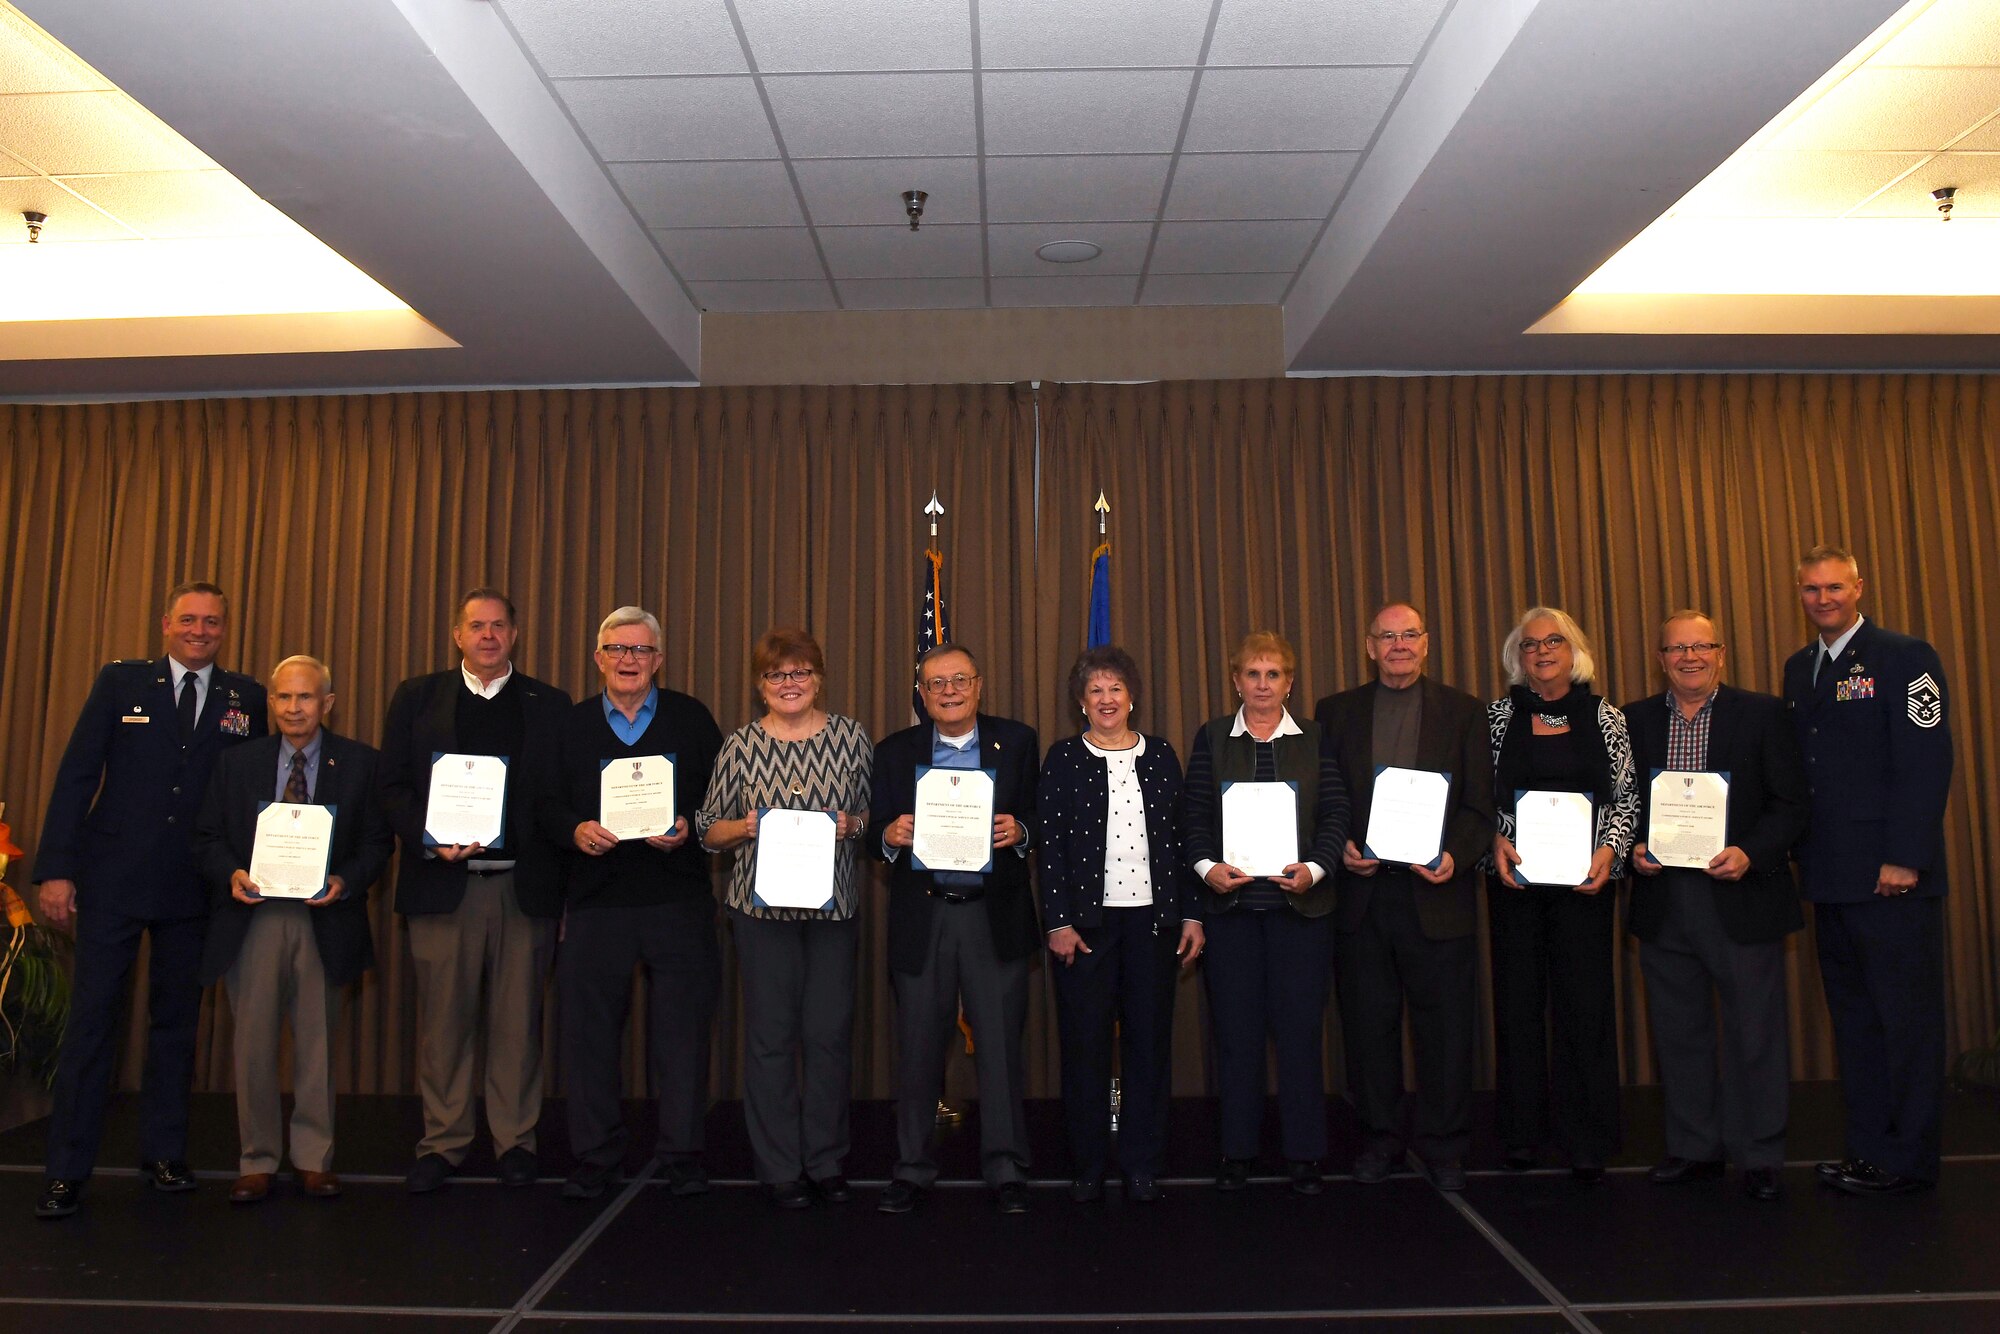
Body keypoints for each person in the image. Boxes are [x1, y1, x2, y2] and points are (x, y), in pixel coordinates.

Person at [32, 582, 267, 1219]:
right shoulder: (120, 683)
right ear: (165, 623)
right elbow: (78, 773)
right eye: (188, 619)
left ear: (226, 628)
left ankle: (164, 1154)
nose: (199, 630)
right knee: (92, 1025)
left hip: (193, 887)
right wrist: (56, 870)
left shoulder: (244, 696)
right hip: (111, 882)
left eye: (211, 622)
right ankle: (66, 1171)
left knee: (176, 1029)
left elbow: (253, 793)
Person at [377, 588, 572, 1193]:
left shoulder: (550, 703)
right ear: (457, 635)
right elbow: (392, 788)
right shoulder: (416, 697)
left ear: (515, 635)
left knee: (519, 1025)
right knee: (444, 1024)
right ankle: (444, 1142)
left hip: (523, 886)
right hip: (443, 886)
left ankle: (516, 1140)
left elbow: (559, 798)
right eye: (475, 626)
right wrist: (430, 838)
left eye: (498, 626)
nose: (487, 636)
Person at [1782, 545, 1953, 1196]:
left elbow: (1926, 760)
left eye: (1834, 587)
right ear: (1798, 594)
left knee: (1905, 1024)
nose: (1822, 599)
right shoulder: (1801, 669)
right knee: (1855, 1022)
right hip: (1830, 875)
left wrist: (1905, 856)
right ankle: (1869, 1152)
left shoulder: (1907, 658)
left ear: (1859, 587)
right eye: (1810, 589)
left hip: (1892, 879)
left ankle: (1909, 1159)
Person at [193, 655, 393, 1203]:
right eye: (283, 697)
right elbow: (207, 837)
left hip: (324, 919)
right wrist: (230, 872)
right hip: (253, 918)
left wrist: (345, 881)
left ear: (326, 704)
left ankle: (313, 1158)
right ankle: (256, 1159)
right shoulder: (237, 764)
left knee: (317, 1044)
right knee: (252, 1045)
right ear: (271, 703)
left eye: (304, 698)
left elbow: (378, 843)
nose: (292, 708)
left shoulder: (360, 764)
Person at [1626, 611, 1808, 1202]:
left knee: (1755, 1030)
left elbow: (1790, 804)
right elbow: (1620, 803)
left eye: (1700, 646)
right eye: (1676, 648)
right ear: (1661, 658)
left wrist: (1750, 853)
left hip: (1740, 893)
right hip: (1664, 897)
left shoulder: (1763, 714)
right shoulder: (1632, 721)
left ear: (1721, 653)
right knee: (1679, 1031)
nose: (1689, 657)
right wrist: (1630, 846)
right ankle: (1693, 1146)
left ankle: (1758, 1153)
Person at [541, 607, 722, 1200]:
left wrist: (689, 825)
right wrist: (574, 831)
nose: (627, 660)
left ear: (658, 660)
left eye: (640, 651)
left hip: (677, 900)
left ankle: (682, 1152)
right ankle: (596, 1153)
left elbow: (720, 801)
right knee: (590, 1035)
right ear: (598, 658)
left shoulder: (692, 719)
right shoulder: (568, 727)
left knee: (683, 1034)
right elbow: (541, 807)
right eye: (616, 649)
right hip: (596, 903)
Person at [1315, 604, 1493, 1193]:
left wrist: (1455, 857)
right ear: (1369, 647)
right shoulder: (1335, 712)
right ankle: (1380, 1139)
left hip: (1436, 895)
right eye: (1386, 636)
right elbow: (1323, 800)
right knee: (1369, 1029)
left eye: (1409, 634)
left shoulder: (1466, 712)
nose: (1398, 645)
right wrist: (1336, 846)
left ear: (1426, 643)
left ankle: (1444, 1146)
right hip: (1364, 898)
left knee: (1445, 1031)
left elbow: (1479, 806)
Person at [697, 628, 872, 1209]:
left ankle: (824, 1160)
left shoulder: (851, 737)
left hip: (832, 913)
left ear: (819, 678)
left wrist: (853, 825)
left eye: (800, 673)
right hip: (759, 914)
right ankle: (778, 1167)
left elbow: (878, 814)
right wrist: (745, 827)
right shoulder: (740, 746)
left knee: (827, 1037)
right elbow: (708, 831)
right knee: (771, 1041)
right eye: (777, 675)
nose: (789, 684)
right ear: (760, 685)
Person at [869, 643, 1040, 1215]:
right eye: (935, 683)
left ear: (978, 685)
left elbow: (1042, 814)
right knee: (918, 1048)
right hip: (925, 914)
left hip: (993, 915)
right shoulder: (893, 752)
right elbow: (872, 831)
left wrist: (1023, 829)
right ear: (921, 693)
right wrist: (888, 837)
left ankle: (1007, 1167)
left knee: (999, 1046)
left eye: (958, 680)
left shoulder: (1016, 742)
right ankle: (912, 1168)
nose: (948, 691)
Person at [1182, 631, 1348, 1194]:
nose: (1262, 684)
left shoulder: (1317, 740)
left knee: (1301, 1034)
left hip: (1299, 911)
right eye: (1252, 674)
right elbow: (1195, 815)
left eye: (1273, 674)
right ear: (1236, 681)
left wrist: (1316, 869)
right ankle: (1238, 1150)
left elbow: (1335, 814)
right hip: (1232, 912)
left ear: (1289, 683)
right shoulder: (1211, 738)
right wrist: (1207, 867)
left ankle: (1304, 1153)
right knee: (1237, 1034)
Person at [1037, 645, 1202, 1204]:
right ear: (1081, 703)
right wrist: (1057, 922)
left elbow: (1181, 840)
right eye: (1094, 691)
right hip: (1086, 929)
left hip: (1153, 926)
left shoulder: (1161, 755)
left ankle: (1141, 1161)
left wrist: (1191, 913)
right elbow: (1051, 850)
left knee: (1148, 1046)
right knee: (1084, 1047)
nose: (1106, 699)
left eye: (1115, 689)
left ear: (1132, 696)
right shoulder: (1062, 758)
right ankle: (1087, 1164)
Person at [1487, 607, 1638, 1180]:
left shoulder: (1606, 717)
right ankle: (1522, 1134)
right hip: (1515, 882)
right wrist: (1496, 839)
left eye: (1554, 641)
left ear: (1575, 651)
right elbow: (1482, 795)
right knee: (1518, 1006)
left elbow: (1625, 797)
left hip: (1585, 883)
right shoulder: (1498, 717)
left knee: (1585, 1007)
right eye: (1530, 645)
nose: (1543, 651)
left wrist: (1609, 852)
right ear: (1516, 658)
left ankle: (1587, 1136)